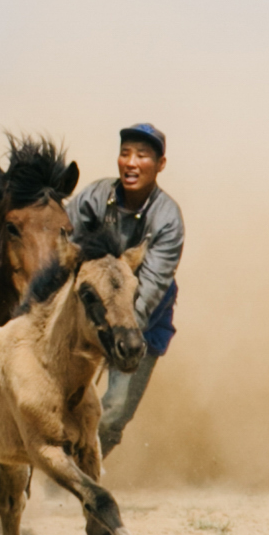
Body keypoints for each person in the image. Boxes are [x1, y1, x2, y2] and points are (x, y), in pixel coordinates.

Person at [68, 123, 183, 456]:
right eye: (125, 153)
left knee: (113, 411)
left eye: (142, 155)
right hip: (86, 315)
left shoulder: (167, 218)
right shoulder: (94, 196)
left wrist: (118, 330)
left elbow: (152, 287)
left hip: (139, 325)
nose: (131, 162)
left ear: (160, 164)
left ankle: (82, 471)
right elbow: (61, 243)